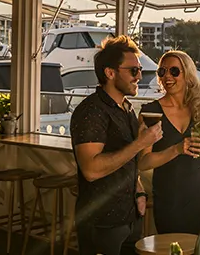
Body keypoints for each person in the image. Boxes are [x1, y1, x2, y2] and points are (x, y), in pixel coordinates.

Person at [70, 36, 163, 255]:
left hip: (129, 215)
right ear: (110, 73)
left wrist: (139, 192)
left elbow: (127, 161)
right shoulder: (91, 111)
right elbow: (91, 170)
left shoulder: (126, 108)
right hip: (102, 221)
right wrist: (140, 143)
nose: (139, 76)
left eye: (139, 70)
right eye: (133, 71)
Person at [138, 50, 200, 234]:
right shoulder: (150, 112)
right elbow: (143, 162)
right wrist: (176, 149)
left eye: (174, 71)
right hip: (169, 196)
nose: (167, 76)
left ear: (188, 75)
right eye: (162, 72)